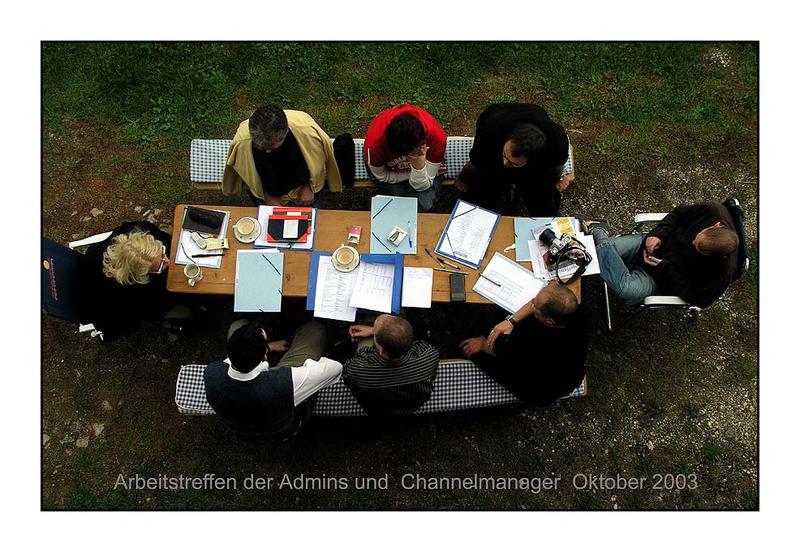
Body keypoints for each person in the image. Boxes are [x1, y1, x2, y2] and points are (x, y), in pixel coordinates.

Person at [204, 320, 342, 440]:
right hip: (285, 427)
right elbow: (335, 368)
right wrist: (303, 369)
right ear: (264, 357)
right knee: (314, 328)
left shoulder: (212, 373)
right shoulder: (284, 383)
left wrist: (268, 347)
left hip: (243, 431)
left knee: (238, 325)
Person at [585, 201, 740, 307]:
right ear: (716, 225)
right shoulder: (712, 211)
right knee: (606, 248)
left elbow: (697, 299)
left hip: (659, 279)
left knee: (626, 289)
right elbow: (677, 214)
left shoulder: (722, 273)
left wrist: (664, 268)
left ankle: (599, 235)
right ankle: (600, 243)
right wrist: (658, 234)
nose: (692, 243)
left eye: (699, 249)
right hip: (650, 245)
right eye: (696, 238)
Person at [460, 281, 589, 406]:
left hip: (537, 389)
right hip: (567, 371)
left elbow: (499, 349)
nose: (531, 303)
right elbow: (550, 287)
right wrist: (511, 321)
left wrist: (482, 343)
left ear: (550, 321)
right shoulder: (577, 313)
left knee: (485, 358)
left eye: (534, 306)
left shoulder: (531, 344)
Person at [83, 220, 190, 340]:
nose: (168, 262)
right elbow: (155, 306)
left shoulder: (142, 228)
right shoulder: (129, 293)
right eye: (160, 266)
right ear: (140, 275)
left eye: (163, 253)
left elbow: (164, 238)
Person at [456, 103, 569, 216]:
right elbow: (476, 163)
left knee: (545, 209)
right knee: (479, 203)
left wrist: (557, 180)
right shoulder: (490, 133)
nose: (504, 163)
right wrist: (463, 178)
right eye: (505, 155)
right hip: (496, 122)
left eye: (511, 163)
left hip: (533, 163)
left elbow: (557, 166)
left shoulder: (556, 142)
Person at [222, 105, 342, 207]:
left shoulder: (307, 132)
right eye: (263, 149)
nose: (268, 152)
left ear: (286, 132)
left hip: (305, 188)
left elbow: (319, 161)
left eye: (273, 148)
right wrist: (266, 196)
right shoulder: (242, 142)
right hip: (268, 193)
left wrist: (309, 187)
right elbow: (247, 173)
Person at [343, 314, 439, 415]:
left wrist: (374, 332)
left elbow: (351, 367)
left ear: (381, 349)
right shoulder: (430, 357)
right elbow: (420, 345)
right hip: (410, 406)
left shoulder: (356, 371)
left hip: (375, 408)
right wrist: (373, 331)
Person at [364, 103, 447, 211]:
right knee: (402, 208)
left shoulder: (437, 138)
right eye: (410, 154)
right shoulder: (374, 146)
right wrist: (417, 171)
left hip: (419, 170)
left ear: (423, 142)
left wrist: (419, 167)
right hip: (391, 175)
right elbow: (382, 176)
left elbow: (422, 186)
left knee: (425, 204)